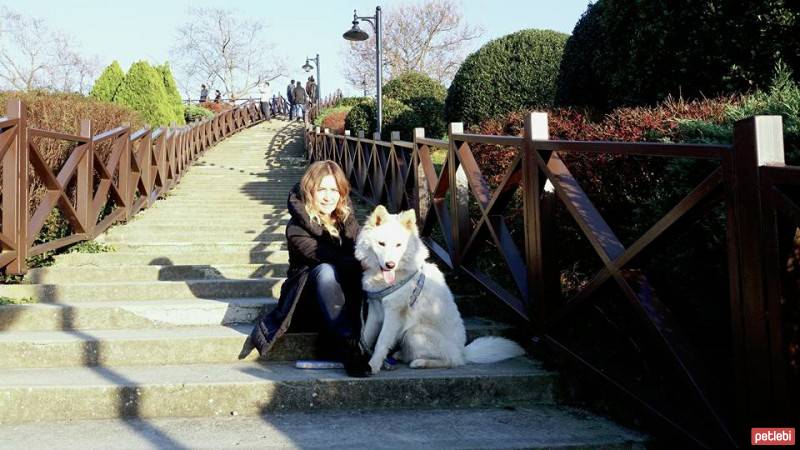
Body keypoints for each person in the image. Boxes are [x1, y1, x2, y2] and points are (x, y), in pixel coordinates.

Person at [245, 161, 370, 377]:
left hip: (346, 300)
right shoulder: (296, 228)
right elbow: (328, 257)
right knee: (326, 271)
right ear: (310, 191)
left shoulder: (347, 220)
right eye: (321, 189)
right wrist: (364, 261)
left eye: (334, 190)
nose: (328, 196)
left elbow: (364, 247)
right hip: (307, 303)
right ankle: (348, 348)